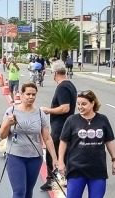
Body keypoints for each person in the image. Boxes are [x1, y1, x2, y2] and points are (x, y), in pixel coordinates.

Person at [54, 90, 115, 198]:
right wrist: (60, 162)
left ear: (92, 103)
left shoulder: (102, 120)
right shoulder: (72, 120)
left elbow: (109, 141)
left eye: (84, 104)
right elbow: (63, 142)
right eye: (79, 104)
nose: (80, 107)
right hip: (76, 168)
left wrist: (114, 159)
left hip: (97, 170)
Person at [0, 83, 58, 198]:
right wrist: (7, 123)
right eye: (28, 94)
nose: (31, 97)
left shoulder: (40, 114)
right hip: (15, 156)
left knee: (28, 190)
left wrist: (56, 159)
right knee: (19, 190)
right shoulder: (11, 111)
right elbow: (2, 135)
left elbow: (47, 138)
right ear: (21, 94)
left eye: (33, 94)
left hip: (35, 157)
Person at [40, 60, 77, 191]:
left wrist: (48, 110)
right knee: (65, 152)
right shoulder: (70, 85)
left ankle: (52, 179)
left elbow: (65, 108)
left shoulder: (63, 87)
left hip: (61, 125)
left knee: (52, 152)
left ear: (55, 73)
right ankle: (65, 177)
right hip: (66, 124)